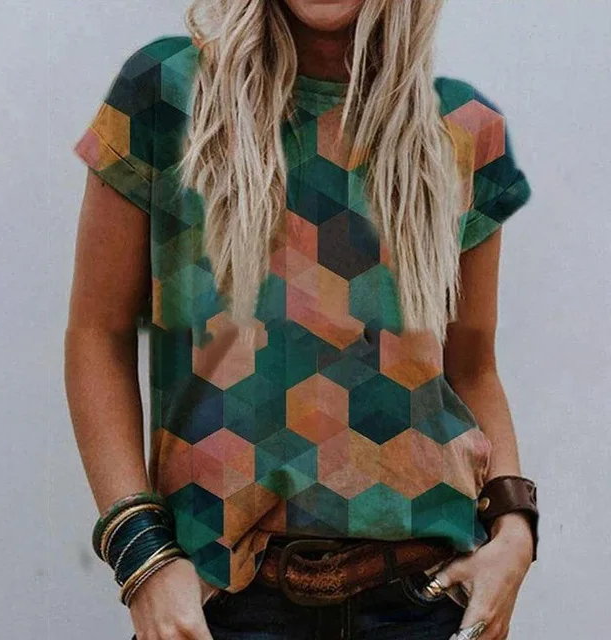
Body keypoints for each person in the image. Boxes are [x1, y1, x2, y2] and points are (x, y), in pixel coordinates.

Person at [66, 1, 539, 639]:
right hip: (224, 605)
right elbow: (97, 336)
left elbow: (473, 369)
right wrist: (141, 557)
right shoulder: (166, 93)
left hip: (423, 599)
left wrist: (515, 529)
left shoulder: (462, 127)